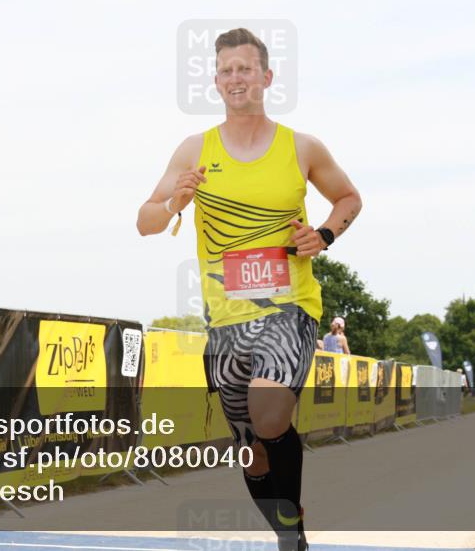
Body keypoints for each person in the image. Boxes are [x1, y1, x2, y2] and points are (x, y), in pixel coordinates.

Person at [137, 28, 362, 551]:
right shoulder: (195, 150)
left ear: (267, 77)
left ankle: (290, 533)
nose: (236, 78)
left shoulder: (301, 147)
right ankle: (290, 534)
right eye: (226, 70)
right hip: (225, 319)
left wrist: (324, 235)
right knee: (250, 448)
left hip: (289, 308)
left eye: (245, 68)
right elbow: (145, 220)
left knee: (269, 410)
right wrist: (174, 203)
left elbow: (349, 198)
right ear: (216, 82)